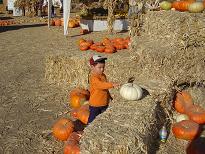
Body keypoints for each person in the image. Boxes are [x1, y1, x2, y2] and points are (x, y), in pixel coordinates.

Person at [88, 55, 120, 124]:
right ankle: (87, 130)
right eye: (99, 67)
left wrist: (109, 96)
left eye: (103, 67)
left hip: (104, 102)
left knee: (103, 120)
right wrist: (112, 84)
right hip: (95, 104)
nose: (102, 69)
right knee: (92, 120)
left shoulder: (103, 75)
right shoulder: (93, 78)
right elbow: (101, 85)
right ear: (92, 67)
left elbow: (105, 88)